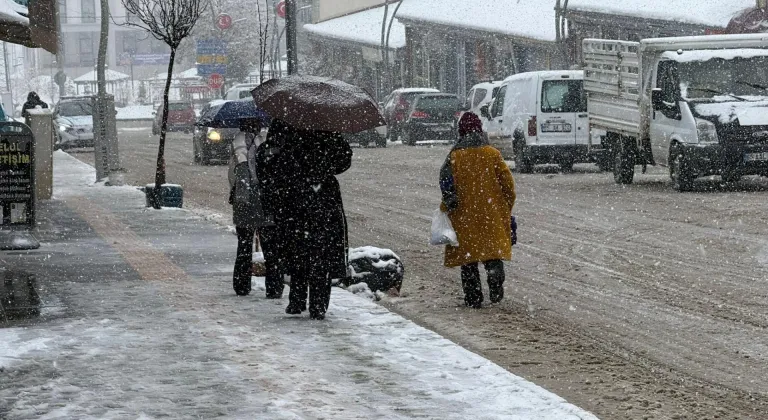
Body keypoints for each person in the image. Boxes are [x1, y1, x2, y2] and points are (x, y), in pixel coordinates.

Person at [255, 119, 353, 320]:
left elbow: (271, 161)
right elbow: (344, 160)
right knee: (320, 254)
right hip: (321, 199)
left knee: (299, 251)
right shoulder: (327, 129)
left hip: (295, 199)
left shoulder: (286, 122)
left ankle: (298, 299)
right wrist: (322, 168)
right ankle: (317, 304)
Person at [439, 112, 516, 308]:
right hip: (491, 213)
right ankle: (495, 283)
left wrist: (450, 203)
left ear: (461, 131)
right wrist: (504, 206)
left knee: (468, 257)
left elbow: (446, 184)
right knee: (492, 252)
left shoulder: (454, 156)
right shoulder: (492, 154)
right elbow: (508, 184)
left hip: (464, 215)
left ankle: (473, 297)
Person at [228, 118, 284, 298]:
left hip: (246, 201)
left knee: (244, 245)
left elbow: (239, 171)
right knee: (270, 247)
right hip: (265, 199)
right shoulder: (263, 141)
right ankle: (274, 287)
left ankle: (242, 285)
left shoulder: (238, 141)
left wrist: (241, 197)